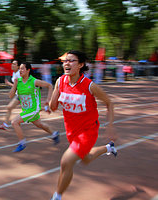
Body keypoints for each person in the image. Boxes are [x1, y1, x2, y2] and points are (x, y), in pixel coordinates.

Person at [49, 50, 118, 200]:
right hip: (71, 131)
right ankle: (108, 147)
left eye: (71, 61)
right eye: (65, 61)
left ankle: (57, 196)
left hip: (88, 131)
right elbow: (53, 107)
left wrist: (110, 125)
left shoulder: (89, 86)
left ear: (80, 65)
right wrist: (53, 95)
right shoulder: (60, 81)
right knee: (85, 159)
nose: (67, 63)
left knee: (66, 161)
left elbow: (109, 103)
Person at [9, 62, 60, 152]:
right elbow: (10, 96)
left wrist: (48, 101)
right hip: (26, 109)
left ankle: (22, 143)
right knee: (39, 124)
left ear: (28, 70)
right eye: (19, 68)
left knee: (14, 122)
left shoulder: (34, 81)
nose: (20, 70)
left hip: (34, 109)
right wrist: (15, 84)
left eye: (22, 68)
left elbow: (49, 86)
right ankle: (55, 134)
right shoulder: (19, 81)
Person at [0, 60, 21, 130]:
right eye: (12, 64)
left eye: (14, 64)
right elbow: (16, 86)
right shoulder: (14, 73)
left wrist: (9, 84)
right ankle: (5, 124)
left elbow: (18, 86)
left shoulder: (19, 74)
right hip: (19, 94)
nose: (12, 65)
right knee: (9, 107)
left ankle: (44, 108)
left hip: (24, 95)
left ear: (18, 66)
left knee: (31, 111)